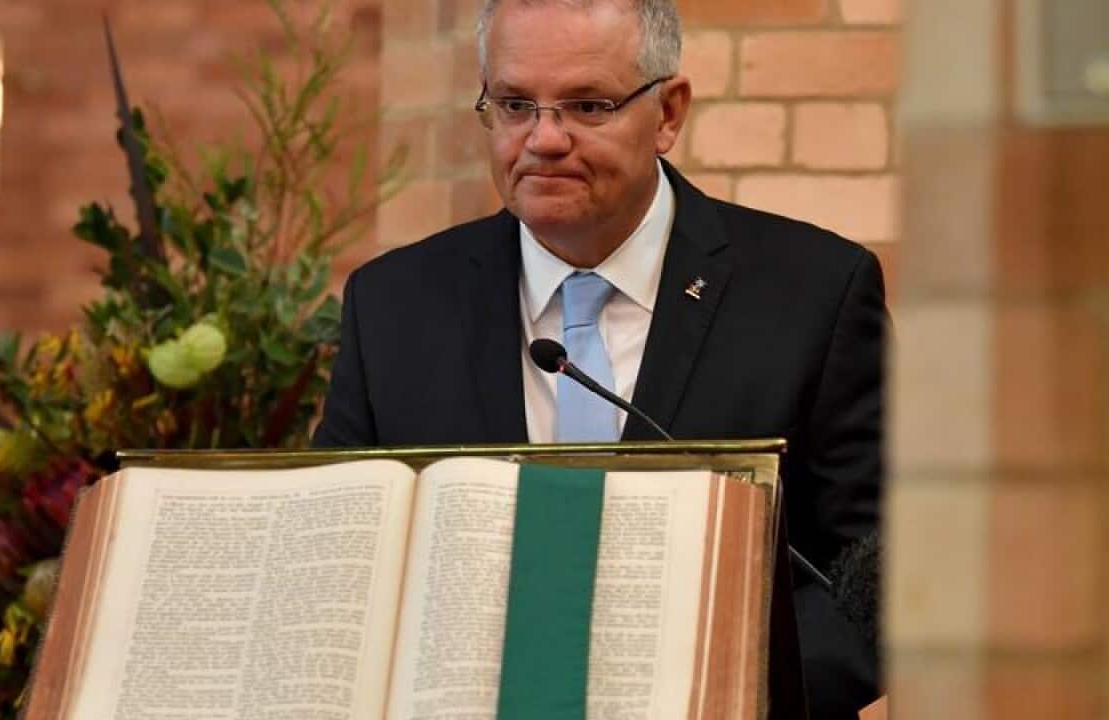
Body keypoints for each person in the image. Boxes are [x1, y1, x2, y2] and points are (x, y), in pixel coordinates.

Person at [314, 0, 886, 716]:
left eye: (588, 105)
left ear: (668, 114)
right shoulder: (394, 306)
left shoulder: (813, 293)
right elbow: (342, 561)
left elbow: (875, 574)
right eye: (516, 104)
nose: (544, 139)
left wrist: (729, 694)